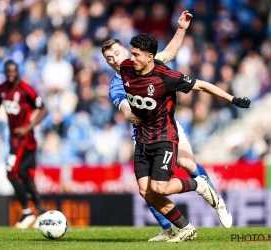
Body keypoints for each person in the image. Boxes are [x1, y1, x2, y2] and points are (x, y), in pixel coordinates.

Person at [102, 11, 231, 242]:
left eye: (117, 53)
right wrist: (130, 114)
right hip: (142, 133)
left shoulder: (145, 62)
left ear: (125, 51)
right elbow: (124, 108)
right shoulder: (116, 85)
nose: (114, 59)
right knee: (147, 189)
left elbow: (170, 52)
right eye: (108, 58)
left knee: (185, 161)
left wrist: (181, 29)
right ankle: (170, 228)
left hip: (166, 127)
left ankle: (216, 201)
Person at [119, 33, 250, 243]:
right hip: (142, 139)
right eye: (131, 53)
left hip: (164, 137)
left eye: (136, 55)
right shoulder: (125, 67)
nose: (131, 58)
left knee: (160, 187)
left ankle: (200, 185)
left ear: (150, 57)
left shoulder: (165, 77)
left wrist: (232, 99)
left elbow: (202, 85)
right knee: (146, 191)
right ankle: (186, 228)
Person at [0, 60, 47, 229]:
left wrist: (29, 126)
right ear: (5, 72)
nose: (11, 74)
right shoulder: (2, 88)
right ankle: (40, 211)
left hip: (25, 139)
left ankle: (27, 212)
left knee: (12, 172)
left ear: (18, 71)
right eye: (8, 72)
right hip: (13, 138)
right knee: (23, 175)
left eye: (14, 71)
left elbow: (43, 109)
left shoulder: (26, 89)